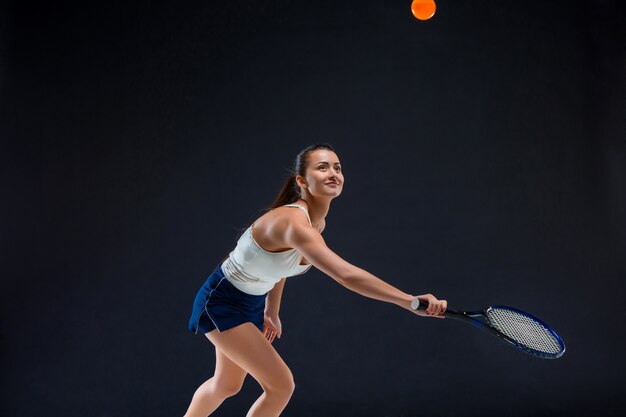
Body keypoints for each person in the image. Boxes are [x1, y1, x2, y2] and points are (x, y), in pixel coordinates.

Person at [184, 143, 447, 417]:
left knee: (226, 385)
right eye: (322, 168)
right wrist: (408, 301)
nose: (333, 173)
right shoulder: (294, 224)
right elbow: (347, 275)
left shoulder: (316, 224)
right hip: (221, 300)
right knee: (280, 386)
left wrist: (271, 311)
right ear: (302, 181)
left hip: (249, 301)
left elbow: (279, 268)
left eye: (337, 167)